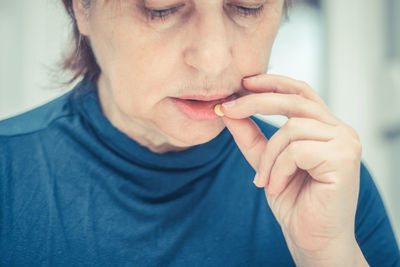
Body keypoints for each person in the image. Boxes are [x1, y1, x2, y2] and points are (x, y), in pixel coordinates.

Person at [0, 0, 399, 266]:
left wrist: (329, 255)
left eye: (248, 5)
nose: (212, 59)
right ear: (81, 8)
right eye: (163, 7)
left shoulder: (328, 186)